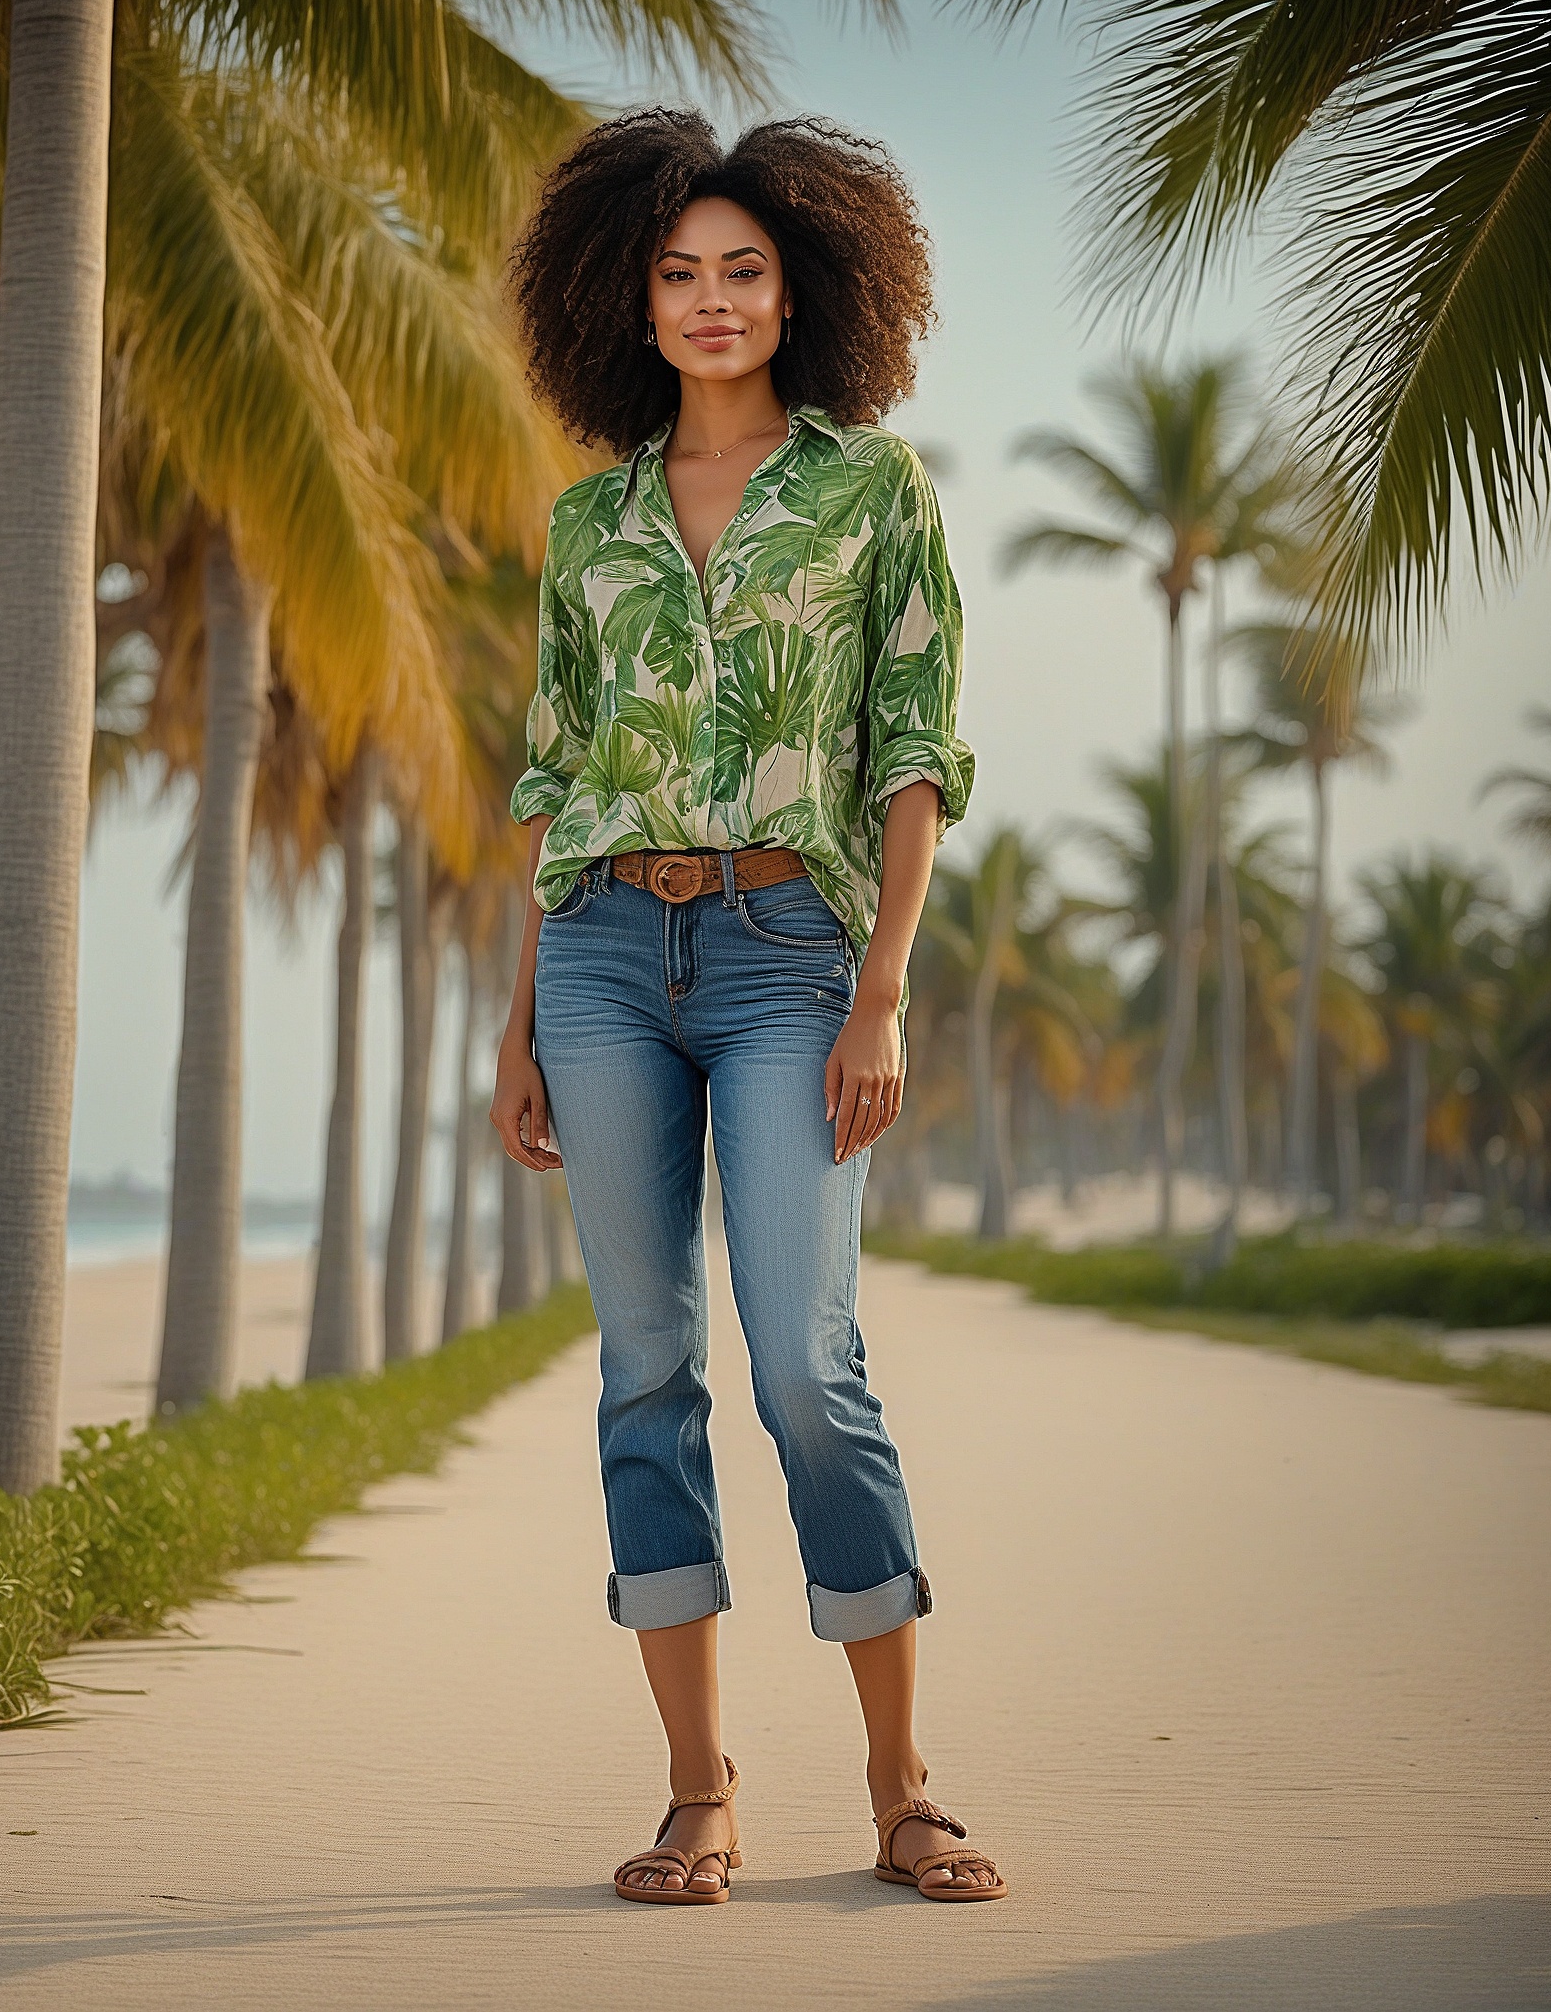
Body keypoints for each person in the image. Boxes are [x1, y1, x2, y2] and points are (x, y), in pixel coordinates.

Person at [491, 109, 1003, 1907]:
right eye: (680, 275)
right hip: (606, 964)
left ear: (803, 292)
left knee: (807, 1367)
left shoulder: (875, 494)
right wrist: (520, 1014)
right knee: (648, 1377)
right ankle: (698, 1793)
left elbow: (916, 749)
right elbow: (553, 778)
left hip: (798, 958)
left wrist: (884, 988)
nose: (713, 303)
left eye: (746, 273)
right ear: (628, 301)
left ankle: (901, 1784)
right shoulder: (589, 526)